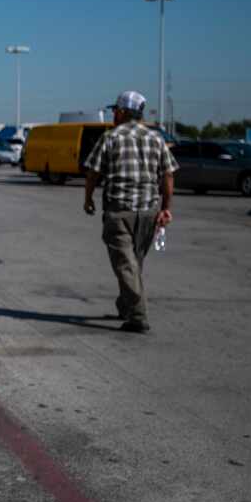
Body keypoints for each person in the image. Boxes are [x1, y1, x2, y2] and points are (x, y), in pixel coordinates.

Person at [82, 90, 177, 334]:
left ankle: (138, 316)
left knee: (126, 266)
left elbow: (93, 171)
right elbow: (168, 175)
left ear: (123, 112)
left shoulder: (110, 138)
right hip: (148, 213)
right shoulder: (156, 139)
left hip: (119, 211)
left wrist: (88, 198)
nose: (114, 113)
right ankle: (125, 305)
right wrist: (166, 208)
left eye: (115, 110)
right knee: (134, 264)